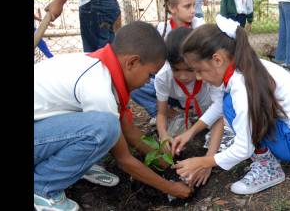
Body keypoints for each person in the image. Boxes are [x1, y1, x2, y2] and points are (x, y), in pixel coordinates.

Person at [34, 21, 192, 211]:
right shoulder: (98, 87)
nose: (147, 82)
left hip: (42, 129)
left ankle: (76, 165)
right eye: (150, 75)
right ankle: (42, 187)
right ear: (132, 62)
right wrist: (171, 188)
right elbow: (124, 160)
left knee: (106, 126)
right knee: (104, 128)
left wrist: (163, 161)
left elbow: (130, 131)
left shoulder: (102, 66)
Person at [171, 15, 290, 195]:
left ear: (217, 60)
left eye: (199, 70)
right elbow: (218, 107)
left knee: (230, 106)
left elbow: (243, 148)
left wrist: (203, 162)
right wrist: (191, 132)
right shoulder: (241, 68)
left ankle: (268, 168)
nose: (198, 78)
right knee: (227, 104)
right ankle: (267, 154)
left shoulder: (241, 86)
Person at [155, 27, 234, 187]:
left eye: (190, 69)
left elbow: (218, 116)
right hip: (181, 101)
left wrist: (208, 161)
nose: (183, 76)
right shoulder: (163, 76)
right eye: (176, 70)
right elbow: (161, 113)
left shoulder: (210, 75)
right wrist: (163, 135)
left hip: (207, 104)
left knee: (223, 113)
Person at [130, 0, 205, 125]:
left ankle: (197, 110)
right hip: (172, 82)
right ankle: (165, 112)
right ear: (172, 8)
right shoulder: (162, 28)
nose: (193, 10)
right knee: (136, 86)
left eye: (194, 5)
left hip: (194, 84)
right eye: (187, 6)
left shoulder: (199, 27)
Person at [44, 0, 124, 52]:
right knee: (113, 52)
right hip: (109, 2)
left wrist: (58, 3)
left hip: (94, 2)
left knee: (99, 58)